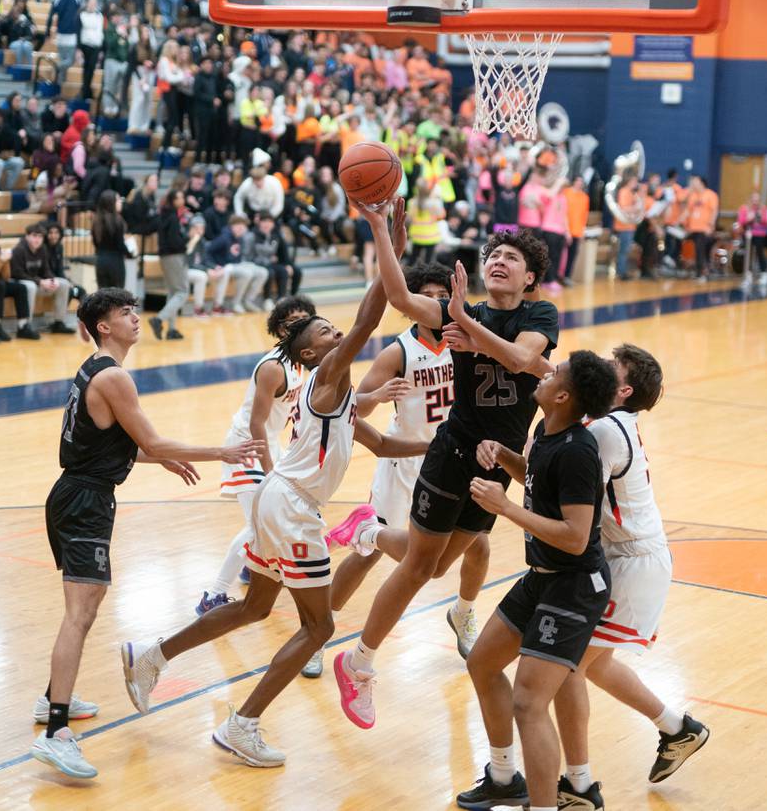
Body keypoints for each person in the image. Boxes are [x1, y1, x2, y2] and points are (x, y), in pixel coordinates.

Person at [120, 201, 431, 766]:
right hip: (290, 504)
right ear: (311, 352)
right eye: (324, 330)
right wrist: (387, 236)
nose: (337, 330)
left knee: (254, 609)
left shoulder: (332, 395)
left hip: (277, 500)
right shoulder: (328, 376)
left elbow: (383, 444)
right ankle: (242, 724)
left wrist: (440, 443)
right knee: (320, 626)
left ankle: (151, 655)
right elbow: (370, 315)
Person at [30, 287, 267, 780]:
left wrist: (160, 458)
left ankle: (56, 695)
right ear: (103, 326)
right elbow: (152, 439)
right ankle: (55, 731)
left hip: (79, 493)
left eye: (135, 309)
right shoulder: (114, 376)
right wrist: (219, 453)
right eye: (125, 313)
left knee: (83, 612)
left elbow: (110, 444)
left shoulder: (96, 367)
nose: (135, 318)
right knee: (80, 614)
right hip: (85, 501)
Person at [334, 222, 558, 730]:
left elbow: (523, 358)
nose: (498, 260)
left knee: (434, 567)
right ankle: (359, 662)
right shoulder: (465, 312)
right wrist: (379, 228)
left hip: (498, 462)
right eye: (494, 253)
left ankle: (368, 530)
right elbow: (397, 295)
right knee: (418, 568)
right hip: (453, 450)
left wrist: (466, 327)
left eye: (512, 258)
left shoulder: (538, 314)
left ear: (530, 278)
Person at [455, 350, 619, 811]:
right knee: (483, 662)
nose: (548, 371)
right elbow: (540, 480)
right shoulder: (545, 431)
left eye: (556, 372)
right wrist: (506, 457)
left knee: (528, 702)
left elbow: (575, 536)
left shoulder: (580, 451)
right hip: (541, 576)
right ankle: (505, 777)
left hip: (574, 583)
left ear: (564, 395)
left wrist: (506, 509)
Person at [552, 344, 709, 808]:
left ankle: (577, 786)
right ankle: (678, 729)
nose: (597, 369)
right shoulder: (611, 423)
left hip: (631, 561)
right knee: (594, 666)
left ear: (621, 389)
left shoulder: (603, 431)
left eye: (609, 367)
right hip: (630, 555)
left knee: (567, 670)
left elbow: (571, 499)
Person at [322, 262, 492, 671]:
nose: (436, 302)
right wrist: (379, 394)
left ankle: (463, 612)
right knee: (368, 554)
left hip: (457, 458)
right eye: (428, 296)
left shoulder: (468, 338)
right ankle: (318, 629)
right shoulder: (397, 352)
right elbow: (349, 408)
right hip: (406, 460)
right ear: (412, 305)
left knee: (478, 545)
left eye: (442, 294)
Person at [195, 294, 316, 614]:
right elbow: (256, 422)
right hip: (246, 445)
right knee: (257, 526)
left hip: (268, 442)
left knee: (266, 522)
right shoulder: (274, 367)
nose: (299, 326)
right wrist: (270, 471)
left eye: (305, 320)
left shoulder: (300, 363)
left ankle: (250, 563)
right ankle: (213, 594)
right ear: (279, 329)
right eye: (291, 322)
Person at [10, 224, 76, 334]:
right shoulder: (19, 250)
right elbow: (18, 273)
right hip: (20, 282)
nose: (37, 239)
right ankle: (26, 326)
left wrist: (52, 279)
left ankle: (58, 323)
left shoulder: (42, 249)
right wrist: (40, 281)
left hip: (37, 282)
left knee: (63, 283)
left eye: (40, 237)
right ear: (27, 236)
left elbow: (46, 269)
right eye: (34, 236)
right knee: (30, 287)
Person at [205, 214, 269, 314]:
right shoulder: (224, 238)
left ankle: (248, 300)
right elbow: (207, 252)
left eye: (243, 227)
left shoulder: (239, 237)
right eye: (239, 226)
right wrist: (213, 266)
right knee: (246, 273)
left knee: (263, 272)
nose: (242, 229)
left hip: (236, 264)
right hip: (225, 266)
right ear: (232, 226)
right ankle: (236, 302)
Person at [150, 188, 189, 340]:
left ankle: (172, 329)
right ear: (174, 201)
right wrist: (186, 241)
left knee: (173, 292)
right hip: (174, 256)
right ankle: (159, 319)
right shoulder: (172, 217)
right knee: (182, 292)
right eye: (180, 197)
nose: (183, 200)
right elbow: (174, 241)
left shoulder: (165, 215)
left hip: (166, 257)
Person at [0, 230, 38, 340]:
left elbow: (6, 276)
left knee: (20, 288)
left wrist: (6, 261)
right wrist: (1, 260)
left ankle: (23, 326)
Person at [680, 175, 718, 283]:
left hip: (704, 228)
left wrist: (711, 225)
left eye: (695, 181)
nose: (693, 183)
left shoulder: (711, 195)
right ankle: (687, 269)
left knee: (700, 250)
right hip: (693, 229)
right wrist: (680, 221)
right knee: (682, 242)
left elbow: (714, 211)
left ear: (701, 183)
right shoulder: (693, 195)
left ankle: (701, 274)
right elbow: (688, 211)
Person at [92, 189, 131, 288]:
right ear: (111, 203)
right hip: (115, 261)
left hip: (101, 261)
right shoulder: (117, 221)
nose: (120, 202)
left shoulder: (96, 221)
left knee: (103, 296)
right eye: (118, 200)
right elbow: (120, 244)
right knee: (118, 296)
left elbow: (96, 243)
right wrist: (130, 254)